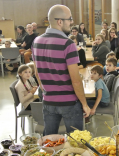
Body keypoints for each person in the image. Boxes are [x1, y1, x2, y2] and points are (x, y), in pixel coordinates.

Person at [32, 5, 90, 135]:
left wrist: (47, 91)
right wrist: (85, 104)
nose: (71, 22)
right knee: (75, 143)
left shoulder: (36, 41)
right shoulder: (68, 44)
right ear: (59, 21)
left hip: (48, 102)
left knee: (49, 142)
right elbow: (76, 80)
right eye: (69, 19)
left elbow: (37, 73)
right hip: (69, 102)